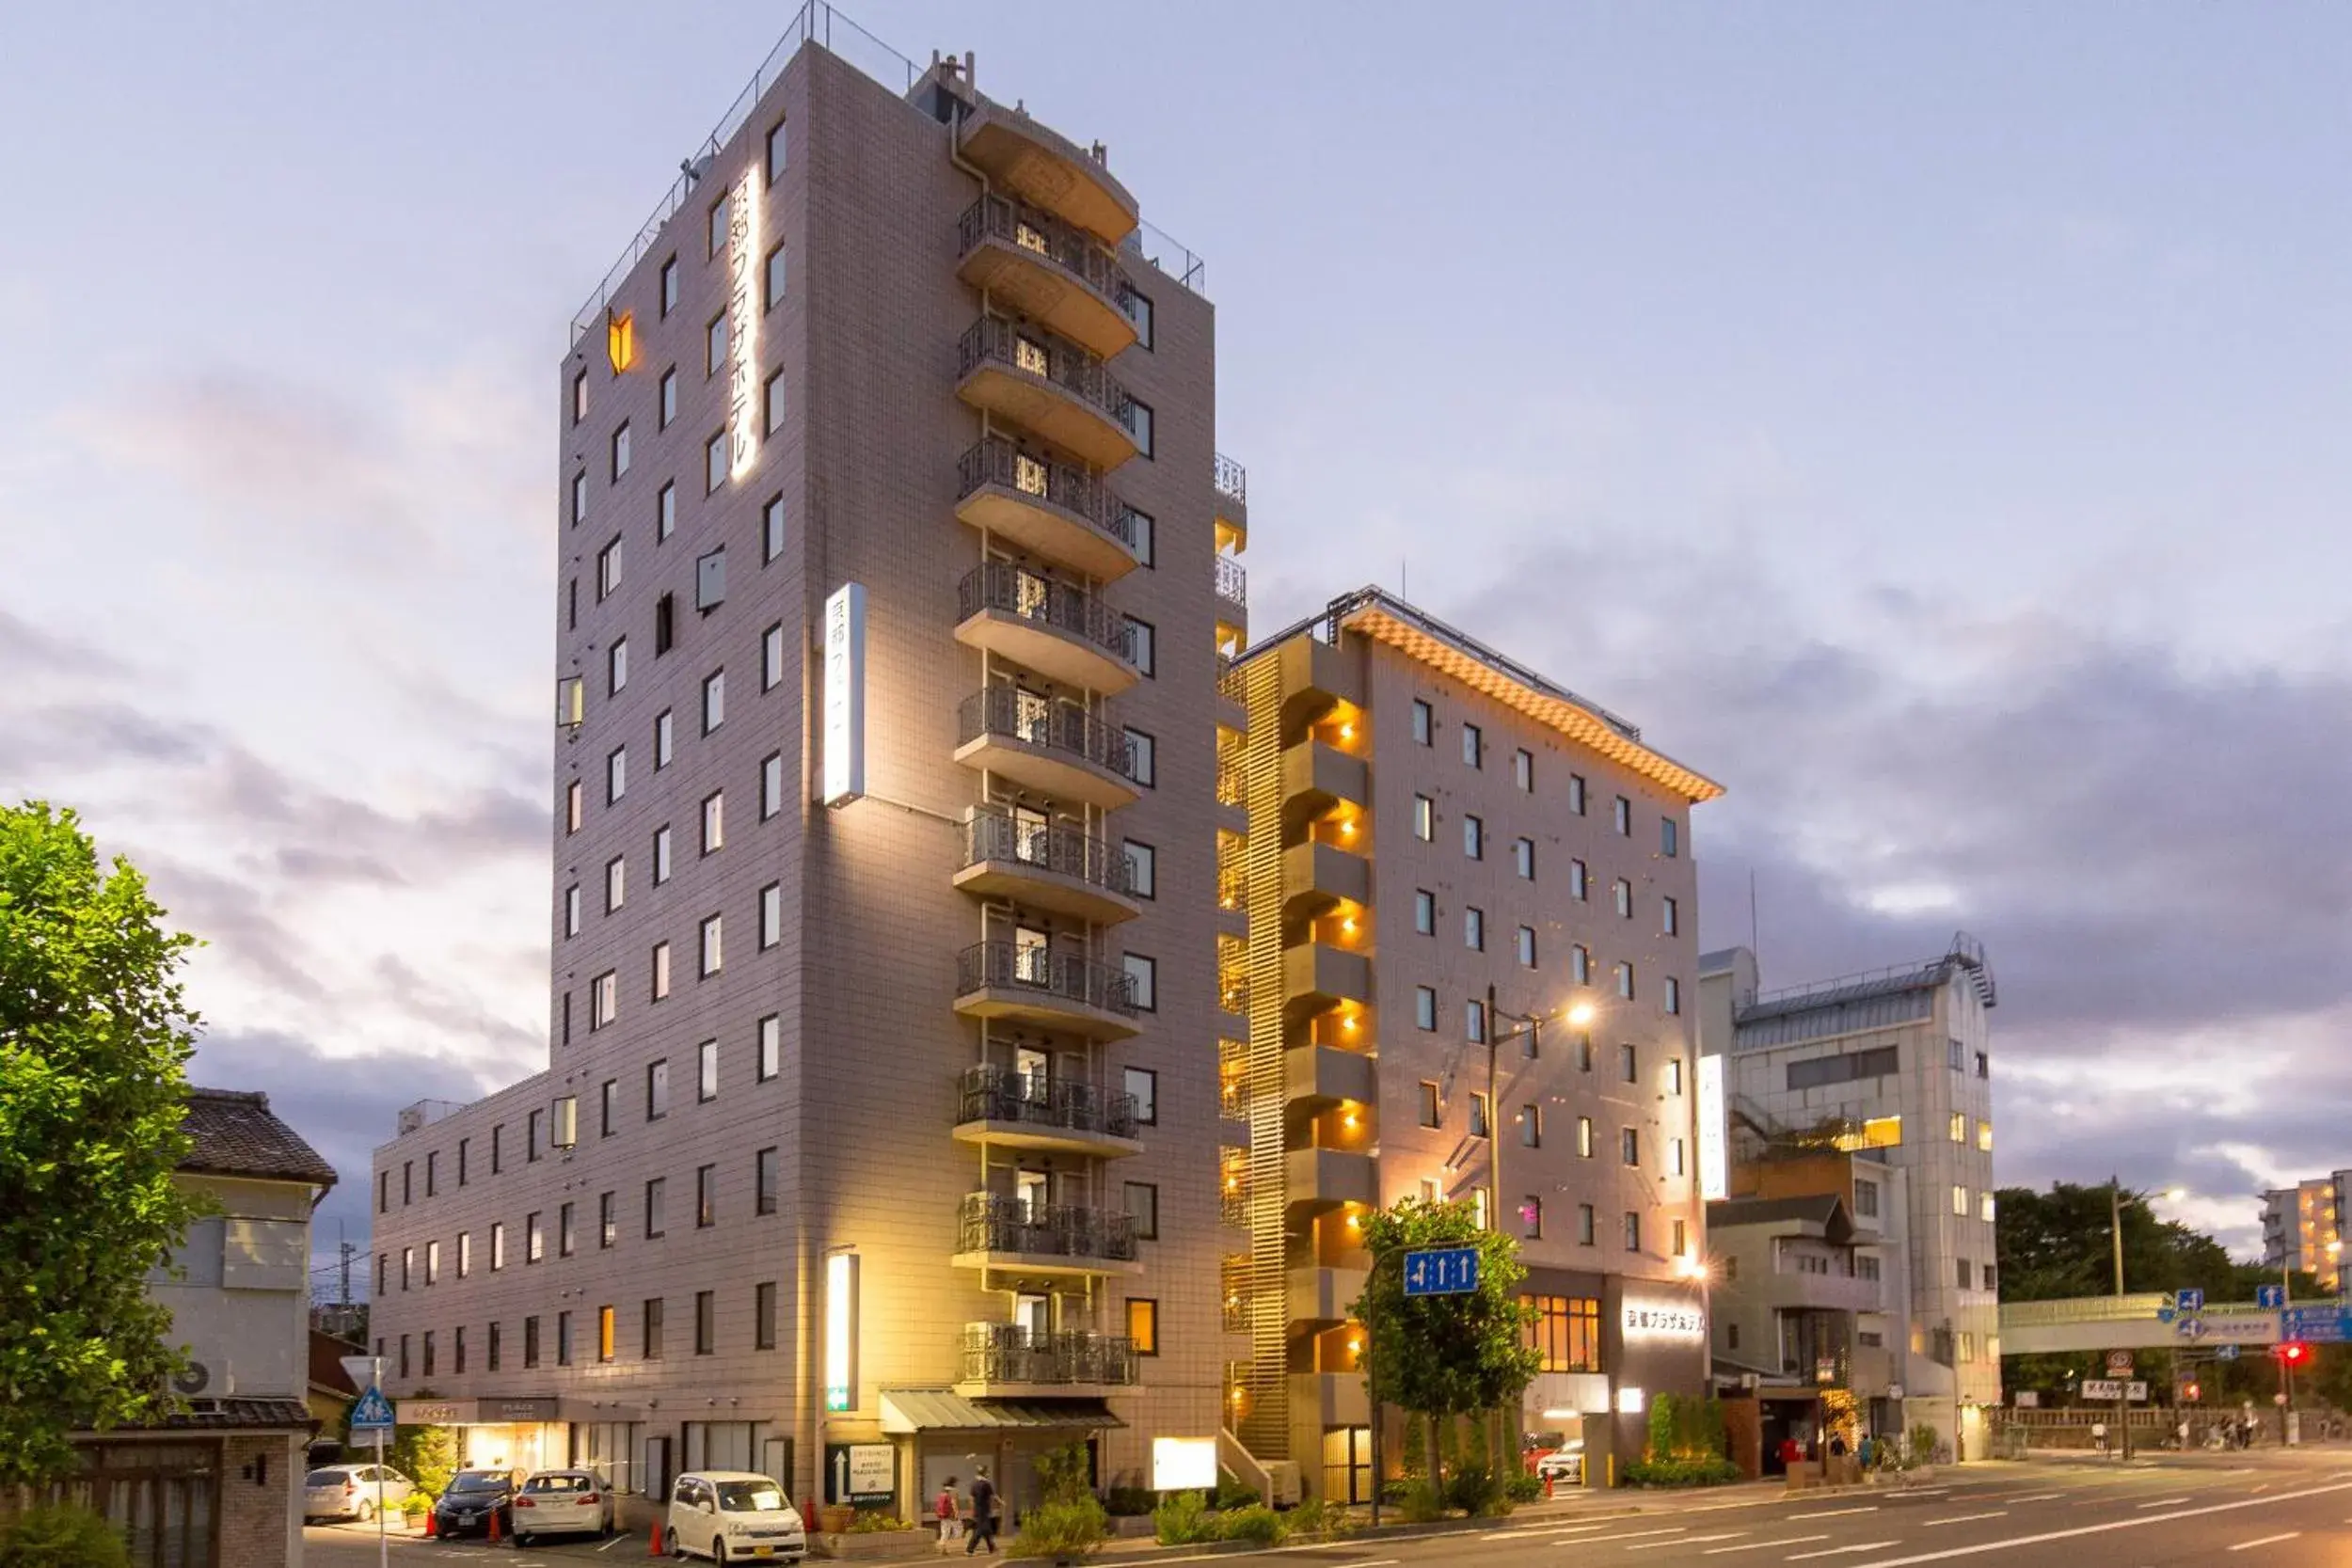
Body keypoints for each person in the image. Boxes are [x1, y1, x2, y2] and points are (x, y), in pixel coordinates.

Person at [964, 1467, 998, 1556]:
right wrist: (998, 1504)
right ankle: (969, 1549)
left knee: (986, 1529)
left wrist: (972, 1510)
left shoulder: (974, 1484)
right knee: (980, 1530)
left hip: (977, 1510)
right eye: (987, 1473)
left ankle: (991, 1548)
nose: (988, 1474)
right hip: (984, 1511)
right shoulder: (986, 1484)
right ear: (985, 1473)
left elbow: (971, 1499)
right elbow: (992, 1497)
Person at [934, 1477, 961, 1546]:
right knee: (959, 1530)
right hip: (951, 1514)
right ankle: (951, 1543)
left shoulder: (943, 1491)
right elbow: (954, 1503)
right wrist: (956, 1513)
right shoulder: (953, 1491)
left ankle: (942, 1545)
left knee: (945, 1531)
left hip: (943, 1514)